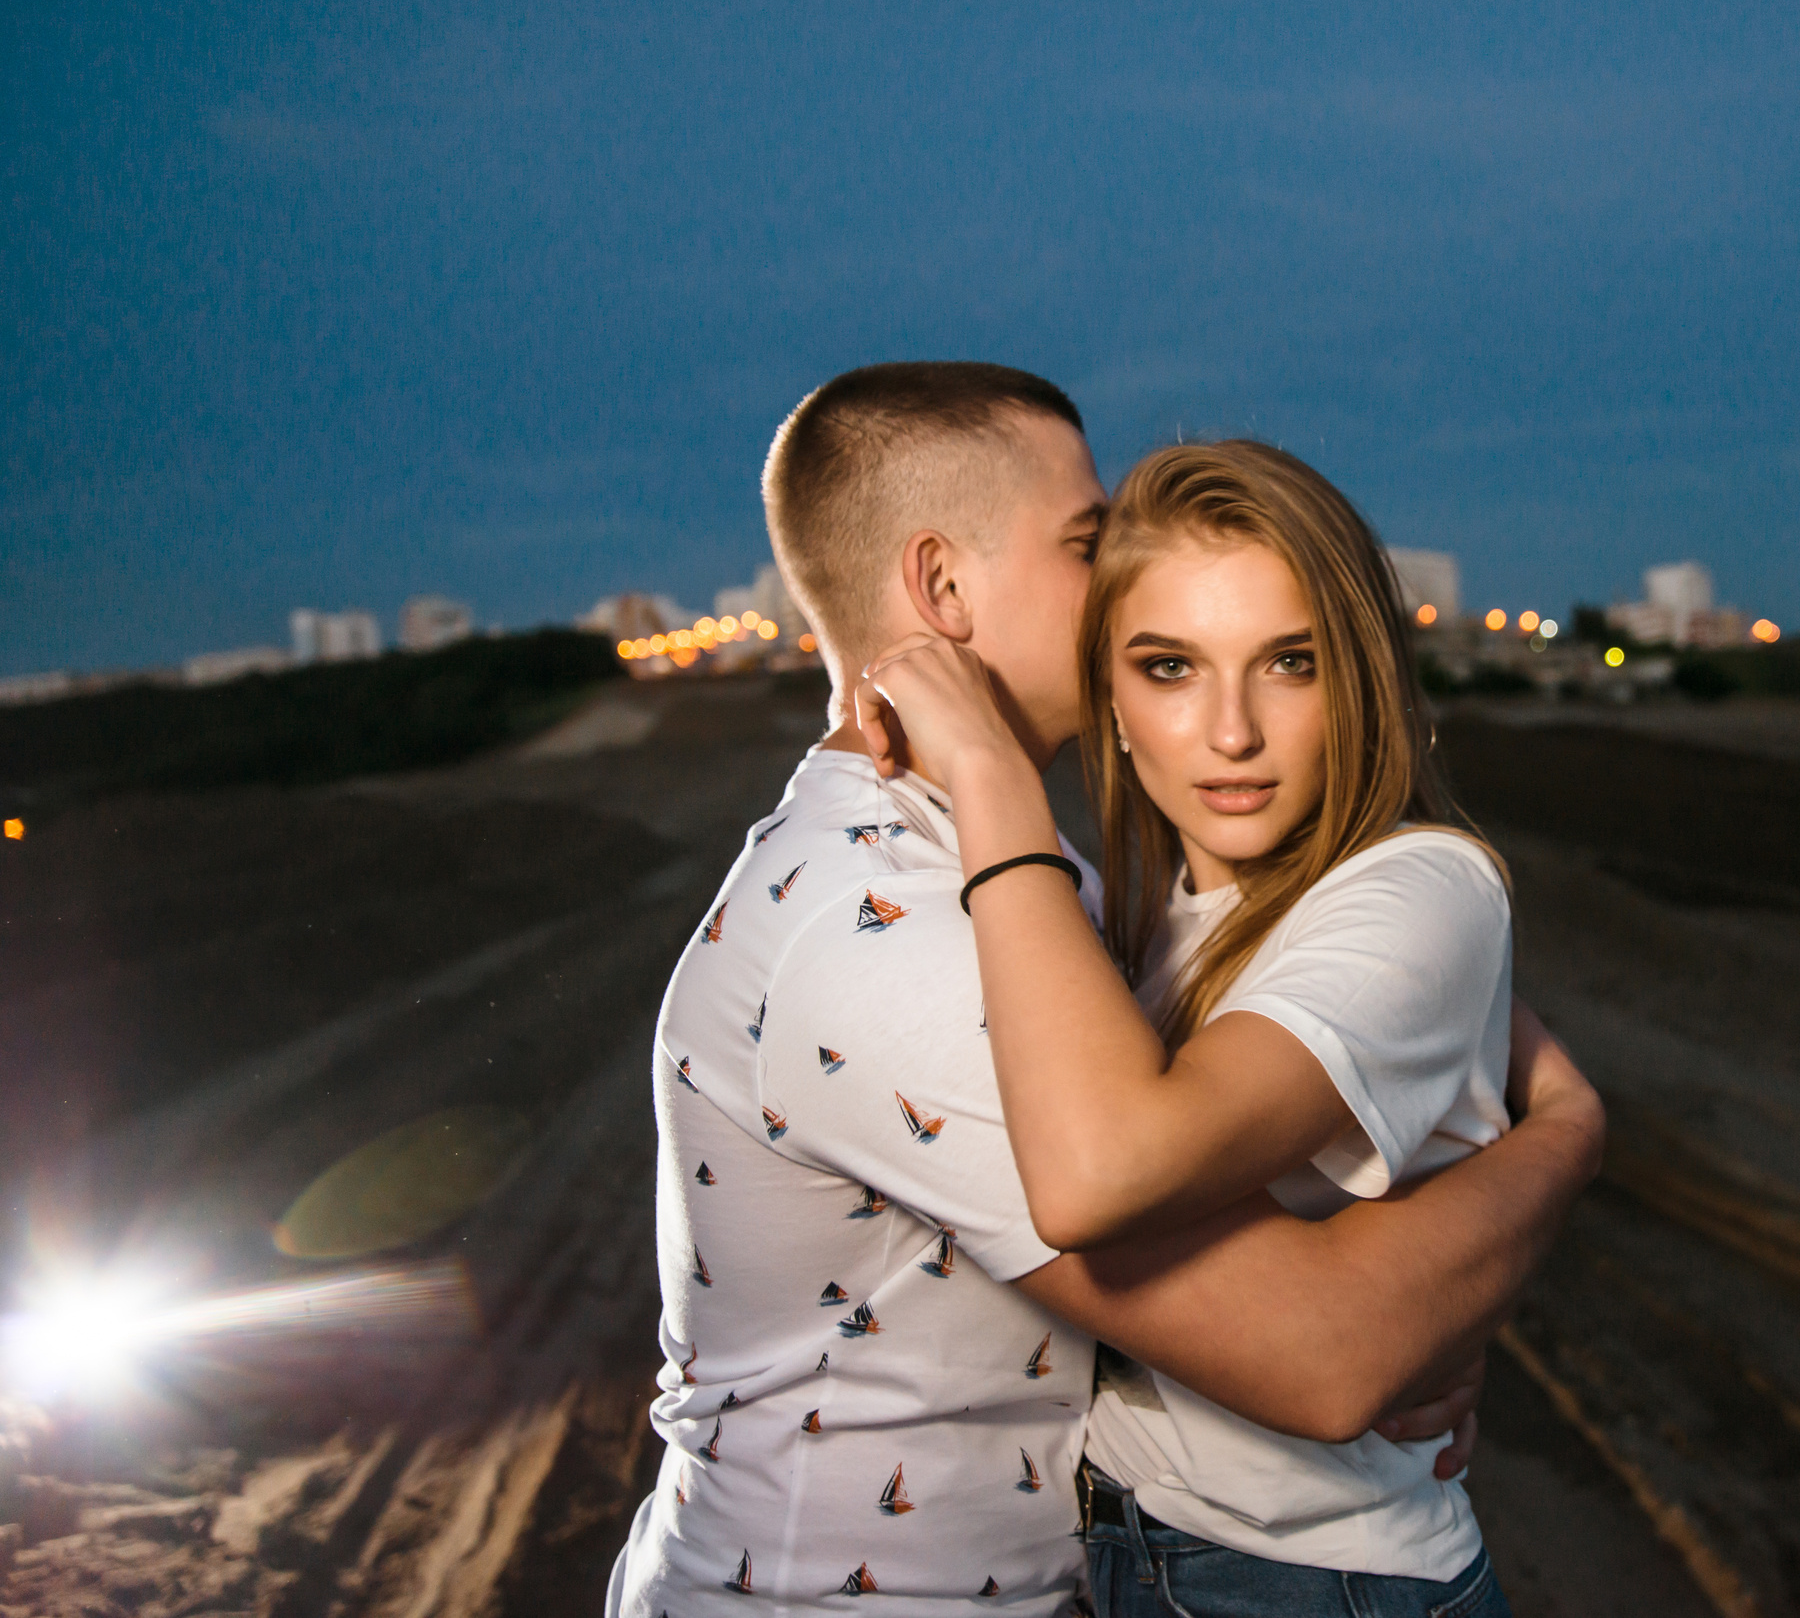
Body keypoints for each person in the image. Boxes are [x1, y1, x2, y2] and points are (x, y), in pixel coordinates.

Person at [608, 364, 1604, 1616]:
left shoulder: (1000, 874)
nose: (1118, 569)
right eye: (1088, 541)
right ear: (942, 587)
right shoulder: (891, 935)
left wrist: (1437, 1303)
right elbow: (1320, 1350)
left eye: (1288, 660)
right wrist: (1561, 1142)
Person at [853, 439, 1532, 1617]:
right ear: (1112, 696)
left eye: (1289, 663)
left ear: (1360, 677)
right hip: (1135, 1546)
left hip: (1318, 1581)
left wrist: (986, 769)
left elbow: (1100, 1175)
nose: (1231, 731)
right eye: (1169, 666)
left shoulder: (1419, 885)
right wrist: (1561, 1129)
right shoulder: (1142, 921)